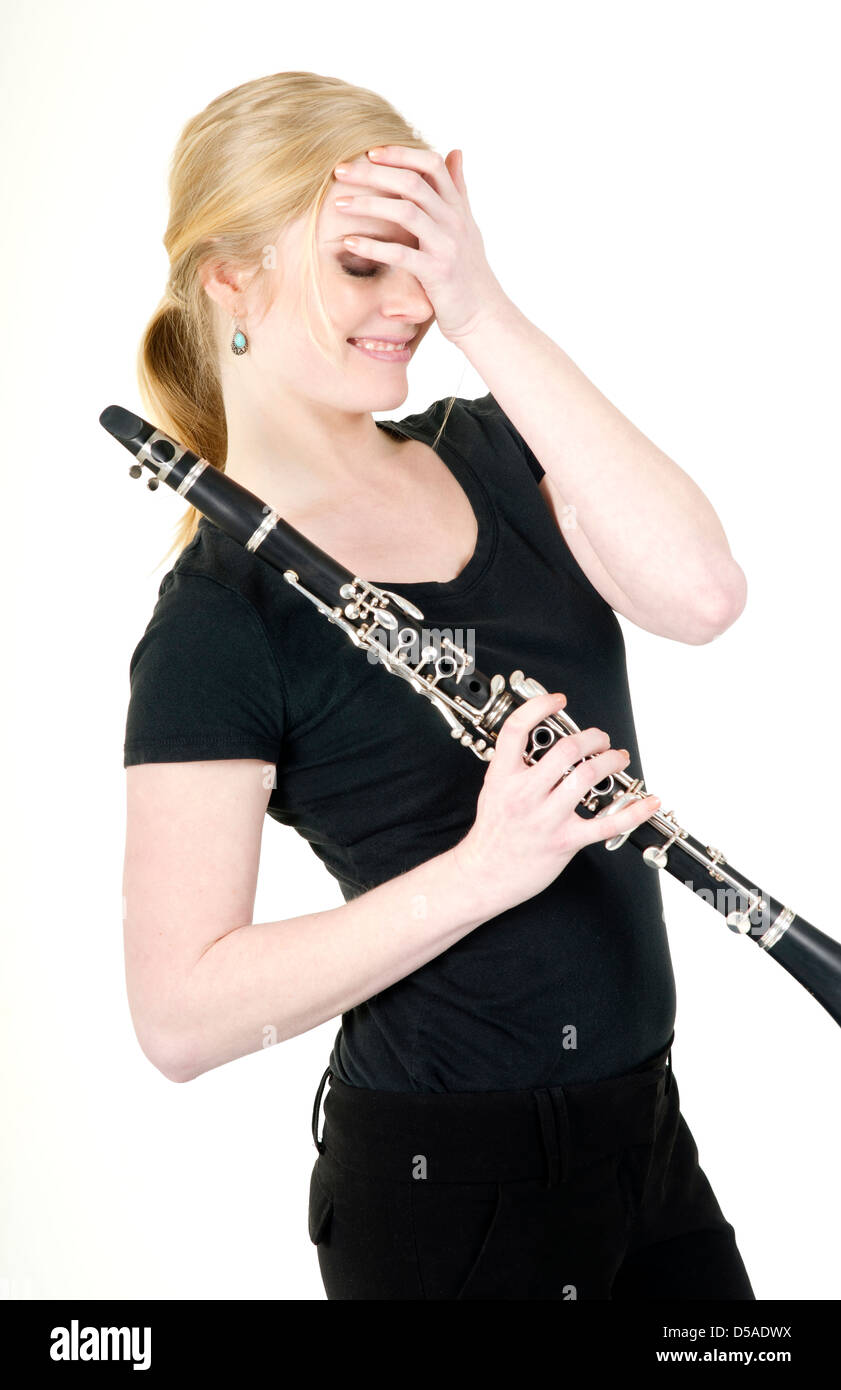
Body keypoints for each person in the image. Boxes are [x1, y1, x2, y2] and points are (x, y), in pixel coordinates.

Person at [122, 70, 755, 1300]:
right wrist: (487, 867)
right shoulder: (216, 615)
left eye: (424, 261)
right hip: (445, 1192)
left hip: (644, 1138)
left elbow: (703, 596)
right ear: (228, 277)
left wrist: (486, 310)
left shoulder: (497, 444)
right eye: (366, 267)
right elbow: (180, 1018)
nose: (409, 303)